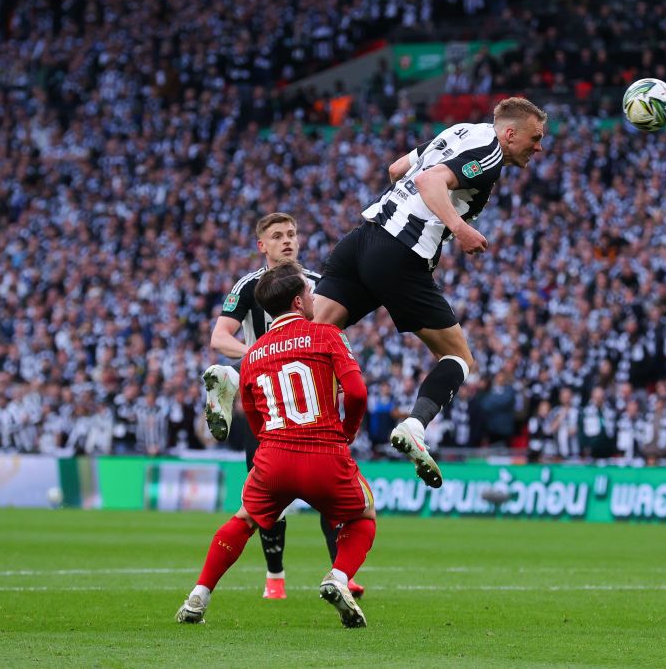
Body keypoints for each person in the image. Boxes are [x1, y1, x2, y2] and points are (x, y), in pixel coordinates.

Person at [313, 97, 547, 487]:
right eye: (535, 138)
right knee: (458, 357)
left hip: (363, 238)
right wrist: (459, 227)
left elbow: (397, 169)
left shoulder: (460, 132)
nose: (538, 147)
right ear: (510, 133)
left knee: (309, 335)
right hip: (400, 252)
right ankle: (415, 427)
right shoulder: (489, 154)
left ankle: (242, 374)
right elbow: (428, 181)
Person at [177, 262, 375, 628]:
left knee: (244, 520)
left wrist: (268, 446)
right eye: (310, 292)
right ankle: (338, 577)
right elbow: (358, 394)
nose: (314, 297)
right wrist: (347, 432)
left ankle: (198, 596)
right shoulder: (327, 334)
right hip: (324, 452)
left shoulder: (253, 353)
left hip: (273, 457)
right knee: (363, 515)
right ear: (299, 301)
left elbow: (253, 418)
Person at [200, 212, 362, 599]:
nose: (287, 241)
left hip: (316, 401)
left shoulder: (319, 285)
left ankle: (340, 572)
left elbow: (337, 334)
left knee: (330, 495)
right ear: (262, 245)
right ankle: (275, 575)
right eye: (277, 236)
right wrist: (261, 354)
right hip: (271, 403)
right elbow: (220, 337)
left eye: (291, 234)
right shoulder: (249, 286)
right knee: (267, 503)